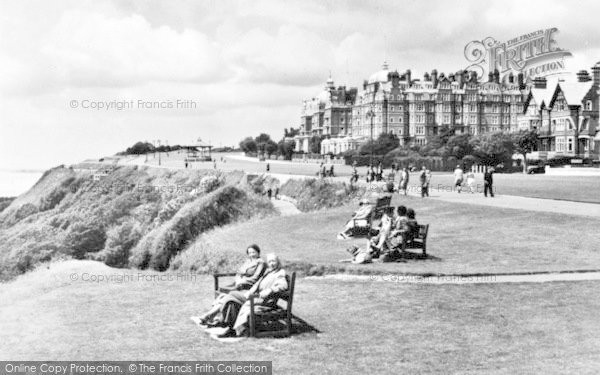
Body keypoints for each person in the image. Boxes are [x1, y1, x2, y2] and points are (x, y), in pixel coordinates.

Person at [193, 245, 266, 326]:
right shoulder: (248, 261)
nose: (252, 254)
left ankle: (208, 317)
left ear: (258, 252)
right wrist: (238, 279)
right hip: (239, 285)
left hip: (249, 288)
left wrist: (243, 280)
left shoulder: (261, 263)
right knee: (223, 295)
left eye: (253, 252)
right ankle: (212, 317)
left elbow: (256, 278)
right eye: (249, 253)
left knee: (226, 296)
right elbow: (239, 272)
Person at [219, 253, 288, 338]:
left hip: (264, 301)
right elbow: (257, 284)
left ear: (278, 262)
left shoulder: (280, 273)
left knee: (232, 296)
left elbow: (283, 285)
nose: (272, 264)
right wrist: (250, 292)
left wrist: (270, 290)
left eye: (273, 261)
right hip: (254, 297)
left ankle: (230, 327)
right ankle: (230, 327)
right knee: (231, 300)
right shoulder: (269, 271)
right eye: (269, 262)